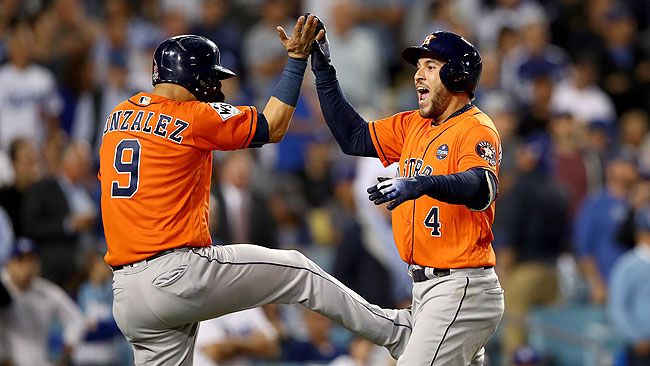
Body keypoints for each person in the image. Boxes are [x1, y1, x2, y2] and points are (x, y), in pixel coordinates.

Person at [100, 15, 411, 366]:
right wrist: (295, 62)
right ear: (193, 77)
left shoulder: (116, 118)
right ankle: (397, 332)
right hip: (177, 274)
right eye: (211, 78)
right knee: (299, 270)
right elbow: (273, 126)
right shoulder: (192, 116)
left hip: (127, 295)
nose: (215, 87)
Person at [310, 24, 504, 365]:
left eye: (430, 66)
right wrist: (324, 70)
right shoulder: (413, 125)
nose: (418, 75)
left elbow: (480, 186)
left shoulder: (475, 127)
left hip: (461, 286)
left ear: (458, 75)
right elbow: (352, 137)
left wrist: (420, 184)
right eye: (418, 67)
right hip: (426, 290)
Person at [0, 237, 86, 366]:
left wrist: (66, 353)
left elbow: (77, 319)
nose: (27, 266)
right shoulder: (1, 289)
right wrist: (3, 356)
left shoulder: (46, 291)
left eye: (32, 260)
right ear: (9, 263)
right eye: (21, 260)